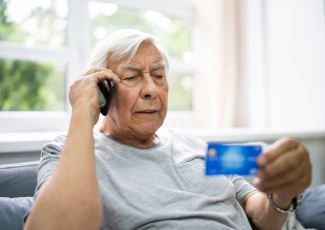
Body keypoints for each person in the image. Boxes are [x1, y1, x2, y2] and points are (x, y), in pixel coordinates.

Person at [23, 29, 312, 230]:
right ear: (102, 90)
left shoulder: (196, 143)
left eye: (159, 75)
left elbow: (257, 213)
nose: (151, 88)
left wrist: (282, 194)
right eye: (132, 76)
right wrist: (81, 118)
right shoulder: (66, 150)